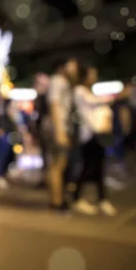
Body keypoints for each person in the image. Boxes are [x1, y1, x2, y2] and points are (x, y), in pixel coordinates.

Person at [72, 65, 117, 216]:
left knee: (97, 168)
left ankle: (101, 199)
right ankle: (79, 197)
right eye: (92, 74)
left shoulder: (87, 92)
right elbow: (95, 102)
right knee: (89, 167)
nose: (94, 78)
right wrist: (115, 96)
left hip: (96, 135)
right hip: (90, 136)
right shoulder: (80, 91)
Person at [42, 57, 79, 212]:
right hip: (56, 128)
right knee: (56, 165)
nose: (75, 69)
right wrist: (59, 131)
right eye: (72, 65)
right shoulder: (58, 81)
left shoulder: (64, 83)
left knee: (58, 165)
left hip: (59, 127)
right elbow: (54, 104)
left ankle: (57, 199)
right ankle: (56, 201)